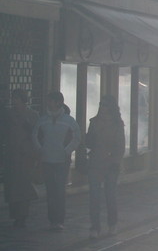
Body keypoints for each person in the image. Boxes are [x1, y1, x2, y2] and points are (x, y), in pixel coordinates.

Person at [32, 91, 81, 231]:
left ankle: (59, 220)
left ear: (58, 102)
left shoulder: (69, 121)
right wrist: (40, 149)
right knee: (50, 191)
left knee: (59, 190)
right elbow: (35, 135)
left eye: (51, 100)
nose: (48, 103)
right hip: (47, 160)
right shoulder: (43, 120)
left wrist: (67, 151)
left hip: (62, 161)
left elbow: (77, 137)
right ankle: (52, 219)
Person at [86, 95, 127, 238]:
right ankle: (95, 227)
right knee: (94, 197)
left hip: (111, 165)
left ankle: (112, 223)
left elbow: (120, 145)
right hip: (95, 163)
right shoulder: (94, 122)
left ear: (111, 107)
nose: (102, 108)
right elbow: (89, 141)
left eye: (105, 105)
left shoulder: (117, 124)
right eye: (101, 105)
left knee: (110, 195)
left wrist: (115, 162)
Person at [3, 90, 38, 228]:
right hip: (11, 154)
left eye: (16, 98)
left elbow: (36, 134)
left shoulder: (32, 115)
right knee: (11, 185)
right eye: (13, 98)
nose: (14, 101)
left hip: (25, 155)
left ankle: (22, 215)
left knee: (23, 185)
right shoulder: (8, 114)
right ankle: (15, 214)